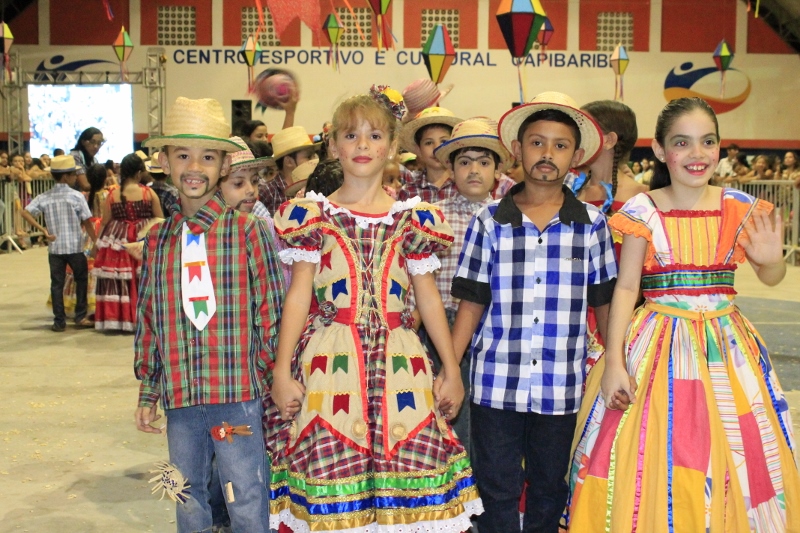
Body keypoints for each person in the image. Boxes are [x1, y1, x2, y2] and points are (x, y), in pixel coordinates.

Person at [565, 97, 800, 531]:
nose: (698, 154)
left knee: (735, 445)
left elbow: (771, 275)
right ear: (659, 150)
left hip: (727, 350)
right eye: (682, 142)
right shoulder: (642, 210)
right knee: (652, 445)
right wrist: (615, 361)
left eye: (707, 142)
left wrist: (773, 263)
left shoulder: (739, 206)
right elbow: (627, 288)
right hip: (657, 346)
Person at [266, 86, 482, 530]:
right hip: (332, 365)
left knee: (408, 467)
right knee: (332, 466)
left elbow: (427, 297)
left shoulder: (414, 219)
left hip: (401, 364)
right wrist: (282, 371)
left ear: (392, 147)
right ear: (333, 146)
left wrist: (451, 369)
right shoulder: (312, 216)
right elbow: (299, 296)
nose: (362, 145)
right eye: (351, 135)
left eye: (375, 135)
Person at [450, 91, 618, 532]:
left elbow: (604, 303)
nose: (547, 154)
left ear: (575, 157)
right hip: (495, 382)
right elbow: (472, 301)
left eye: (560, 146)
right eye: (537, 143)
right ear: (517, 150)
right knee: (496, 486)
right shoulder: (489, 221)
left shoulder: (593, 225)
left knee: (548, 486)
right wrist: (450, 369)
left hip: (561, 385)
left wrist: (616, 363)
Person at [134, 97, 284, 533]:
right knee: (184, 492)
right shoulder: (158, 240)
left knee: (245, 492)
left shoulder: (248, 231)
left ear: (223, 165)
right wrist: (149, 389)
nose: (194, 167)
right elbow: (149, 317)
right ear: (164, 162)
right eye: (182, 155)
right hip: (180, 398)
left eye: (208, 157)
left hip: (236, 395)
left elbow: (270, 311)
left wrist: (266, 375)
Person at [425, 117, 512, 457]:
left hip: (495, 328)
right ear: (450, 169)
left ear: (498, 170)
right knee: (447, 411)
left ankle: (484, 481)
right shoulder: (432, 216)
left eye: (484, 162)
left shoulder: (510, 218)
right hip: (442, 326)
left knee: (490, 418)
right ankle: (456, 481)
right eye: (464, 162)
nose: (474, 170)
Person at [19, 155, 97, 331]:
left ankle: (59, 321)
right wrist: (95, 241)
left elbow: (25, 212)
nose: (76, 177)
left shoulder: (45, 196)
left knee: (56, 284)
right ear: (65, 177)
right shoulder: (77, 196)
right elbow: (87, 222)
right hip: (75, 246)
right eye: (73, 174)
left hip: (55, 248)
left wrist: (43, 230)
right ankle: (80, 316)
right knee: (81, 280)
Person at [93, 153, 163, 332]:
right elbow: (159, 218)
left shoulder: (113, 194)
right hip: (142, 237)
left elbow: (105, 221)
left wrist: (97, 244)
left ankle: (120, 319)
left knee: (119, 279)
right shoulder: (148, 193)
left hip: (117, 238)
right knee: (144, 277)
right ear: (139, 173)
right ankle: (145, 319)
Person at [397, 106, 462, 202]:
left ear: (454, 145)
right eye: (429, 143)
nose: (436, 148)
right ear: (418, 149)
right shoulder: (408, 191)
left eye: (444, 141)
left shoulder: (464, 186)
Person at [258, 126, 320, 214]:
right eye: (308, 157)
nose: (314, 161)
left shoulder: (317, 186)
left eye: (314, 156)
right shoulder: (268, 192)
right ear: (289, 162)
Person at [71, 127, 104, 191]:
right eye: (92, 142)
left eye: (99, 143)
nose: (96, 146)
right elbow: (85, 186)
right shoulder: (75, 156)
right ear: (83, 142)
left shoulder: (94, 160)